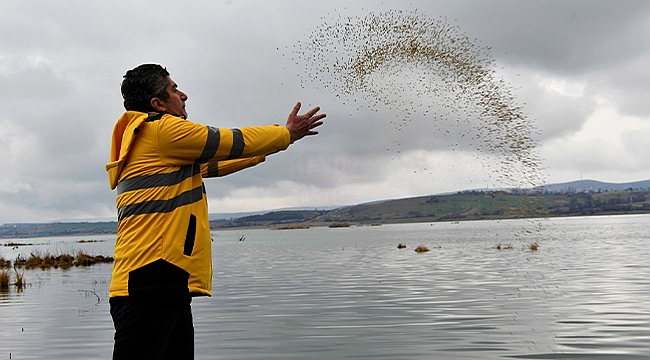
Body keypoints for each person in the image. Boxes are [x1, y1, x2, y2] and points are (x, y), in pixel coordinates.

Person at [105, 63, 325, 359]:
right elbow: (228, 141)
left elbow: (218, 161)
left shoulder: (156, 144)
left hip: (164, 280)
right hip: (150, 280)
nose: (183, 95)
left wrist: (269, 148)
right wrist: (285, 134)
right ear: (157, 103)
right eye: (173, 90)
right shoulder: (162, 131)